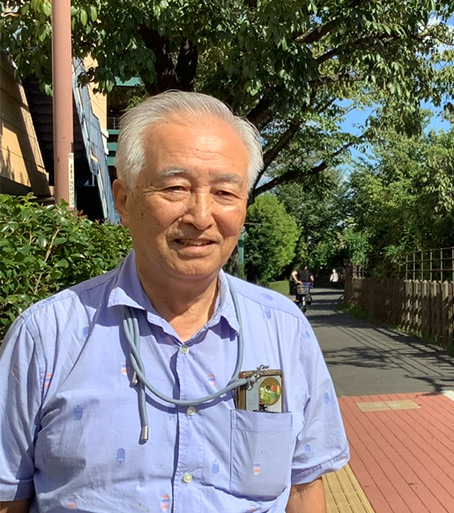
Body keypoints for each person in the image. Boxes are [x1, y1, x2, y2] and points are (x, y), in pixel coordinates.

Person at [0, 91, 348, 512]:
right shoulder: (47, 337)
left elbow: (303, 486)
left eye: (224, 193)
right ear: (125, 201)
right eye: (176, 187)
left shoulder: (283, 331)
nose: (201, 216)